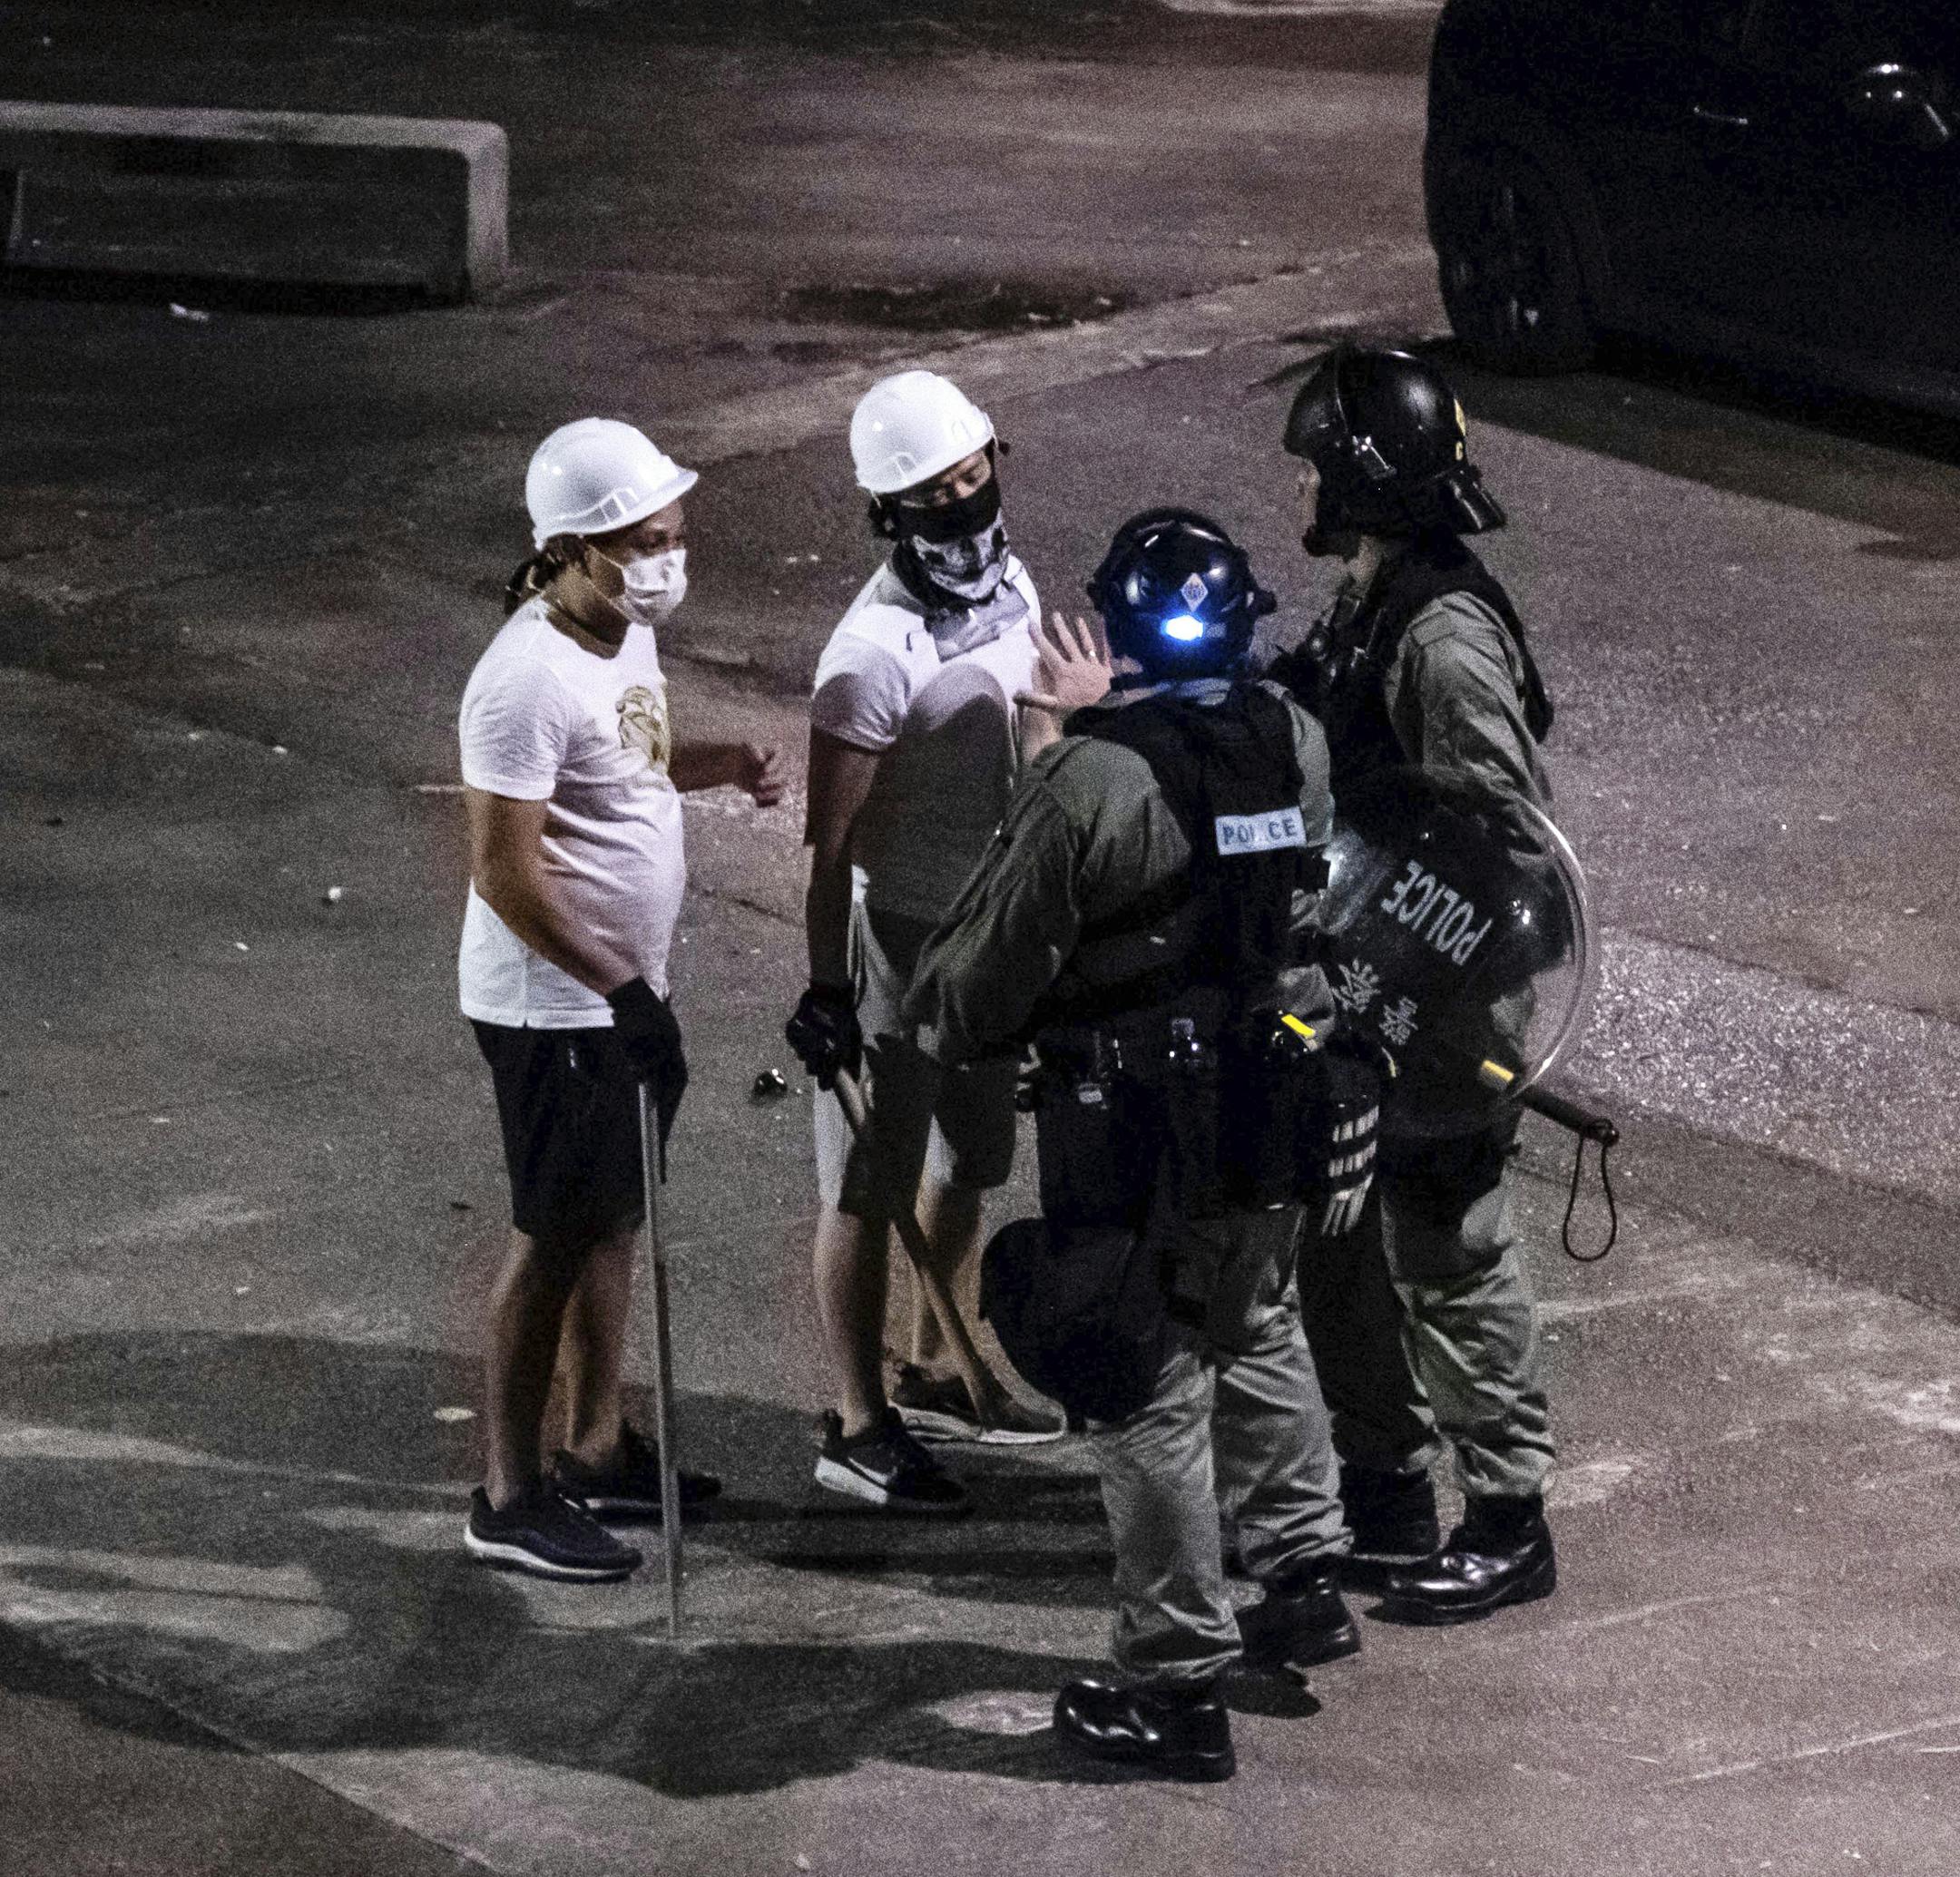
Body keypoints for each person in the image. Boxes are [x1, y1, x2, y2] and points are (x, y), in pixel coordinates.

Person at [906, 511, 1361, 1782]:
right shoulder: (1297, 738)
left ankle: (1173, 1683)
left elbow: (968, 991)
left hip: (1137, 1123)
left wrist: (1050, 734)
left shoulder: (1093, 777)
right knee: (1257, 1314)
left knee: (1146, 1379)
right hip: (1275, 1094)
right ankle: (1305, 1572)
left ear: (1110, 629)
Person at [458, 416, 785, 1580]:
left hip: (625, 995)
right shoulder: (522, 679)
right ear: (570, 549)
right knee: (551, 1240)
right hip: (557, 1008)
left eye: (676, 535)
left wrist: (721, 760)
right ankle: (508, 1491)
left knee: (613, 1222)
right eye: (643, 541)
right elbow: (504, 870)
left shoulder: (622, 636)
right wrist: (614, 985)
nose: (668, 561)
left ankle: (597, 1443)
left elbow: (627, 765)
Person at [1270, 343, 1559, 1622]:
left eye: (1324, 465)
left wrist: (1417, 990)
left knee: (1450, 1254)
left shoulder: (1441, 634)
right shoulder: (1377, 593)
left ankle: (1508, 1516)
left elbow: (1501, 849)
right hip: (1364, 978)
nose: (1310, 488)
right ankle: (1382, 1489)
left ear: (1362, 477)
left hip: (1435, 1001)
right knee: (1340, 1236)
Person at [783, 369, 1070, 1516]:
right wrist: (825, 985)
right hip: (905, 934)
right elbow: (824, 846)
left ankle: (940, 1360)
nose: (962, 508)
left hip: (997, 928)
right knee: (868, 1183)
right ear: (887, 514)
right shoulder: (870, 654)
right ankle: (858, 1423)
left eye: (971, 478)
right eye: (931, 497)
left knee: (975, 1161)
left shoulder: (1009, 585)